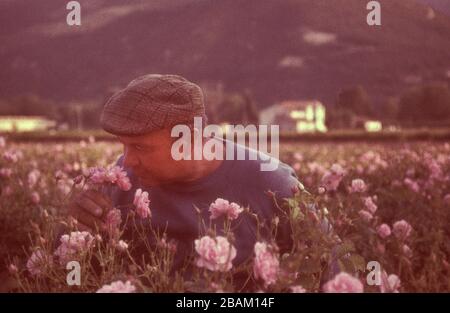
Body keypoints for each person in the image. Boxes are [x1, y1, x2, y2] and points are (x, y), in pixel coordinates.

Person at [68, 74, 300, 289]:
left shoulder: (273, 185)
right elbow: (77, 278)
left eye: (140, 147)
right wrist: (72, 231)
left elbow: (325, 272)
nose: (127, 161)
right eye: (124, 144)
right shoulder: (122, 180)